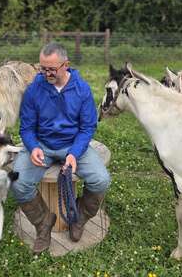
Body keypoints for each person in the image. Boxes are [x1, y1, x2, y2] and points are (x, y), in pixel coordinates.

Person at [11, 42, 111, 254]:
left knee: (101, 179)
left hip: (73, 145)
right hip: (43, 145)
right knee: (18, 183)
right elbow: (27, 127)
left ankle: (79, 217)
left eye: (51, 69)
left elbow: (87, 127)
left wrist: (74, 153)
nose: (46, 73)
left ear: (66, 65)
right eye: (43, 68)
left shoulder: (82, 90)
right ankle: (43, 223)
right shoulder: (33, 90)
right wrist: (33, 146)